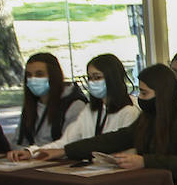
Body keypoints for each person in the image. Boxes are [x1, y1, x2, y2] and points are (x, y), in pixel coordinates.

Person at [9, 53, 140, 161]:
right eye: (90, 78)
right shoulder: (90, 110)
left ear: (112, 79)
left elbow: (118, 146)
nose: (92, 82)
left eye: (97, 77)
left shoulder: (129, 111)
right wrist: (32, 152)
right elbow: (66, 140)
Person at [14, 52, 88, 150]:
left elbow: (70, 144)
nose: (33, 79)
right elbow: (17, 142)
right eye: (29, 75)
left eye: (39, 74)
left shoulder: (74, 105)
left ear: (53, 76)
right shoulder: (32, 105)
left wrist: (32, 152)